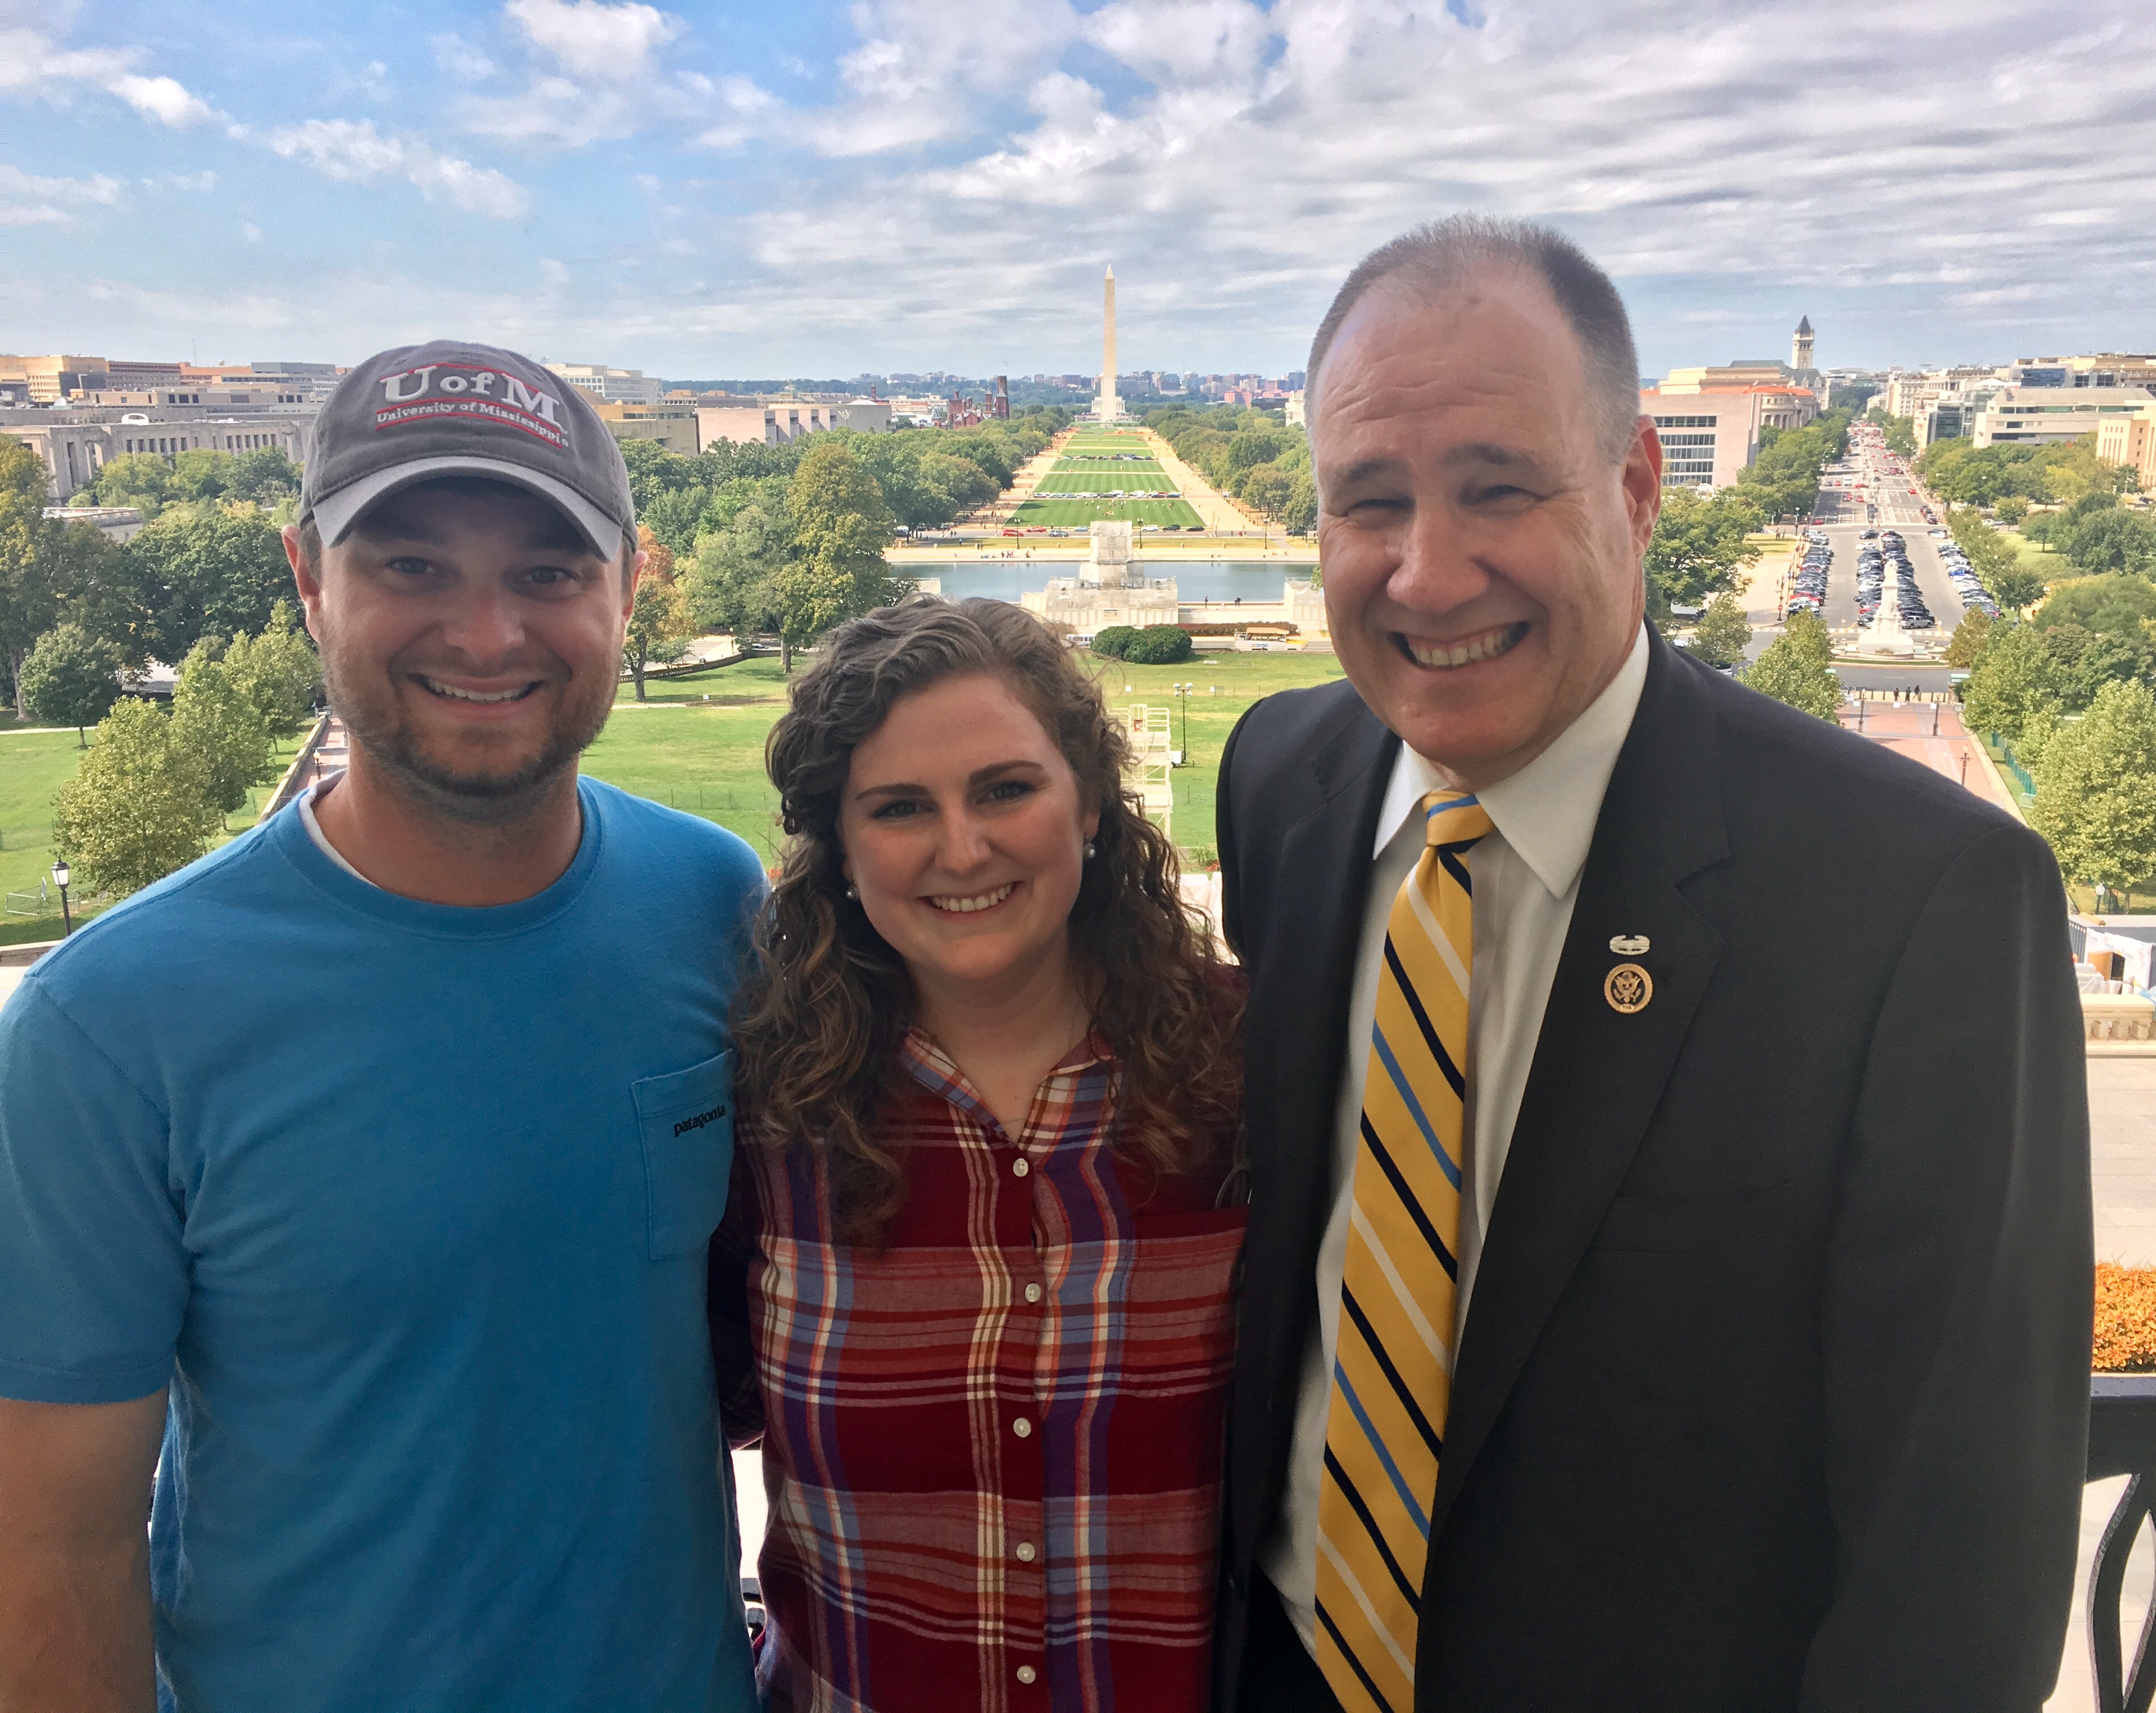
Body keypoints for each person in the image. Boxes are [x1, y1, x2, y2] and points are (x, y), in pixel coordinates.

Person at [1213, 219, 2090, 1712]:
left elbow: (1954, 1560)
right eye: (1368, 502)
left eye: (1494, 489)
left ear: (1630, 486)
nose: (1425, 576)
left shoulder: (1916, 900)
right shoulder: (1279, 778)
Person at [0, 340, 763, 1713]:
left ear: (631, 586)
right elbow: (55, 1543)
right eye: (411, 566)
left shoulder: (713, 903)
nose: (487, 635)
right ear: (306, 579)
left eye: (548, 571)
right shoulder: (110, 1021)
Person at [710, 597, 1245, 1712]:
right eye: (900, 808)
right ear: (842, 851)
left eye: (1006, 788)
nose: (962, 849)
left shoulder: (1252, 1074)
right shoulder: (761, 1117)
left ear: (1088, 799)